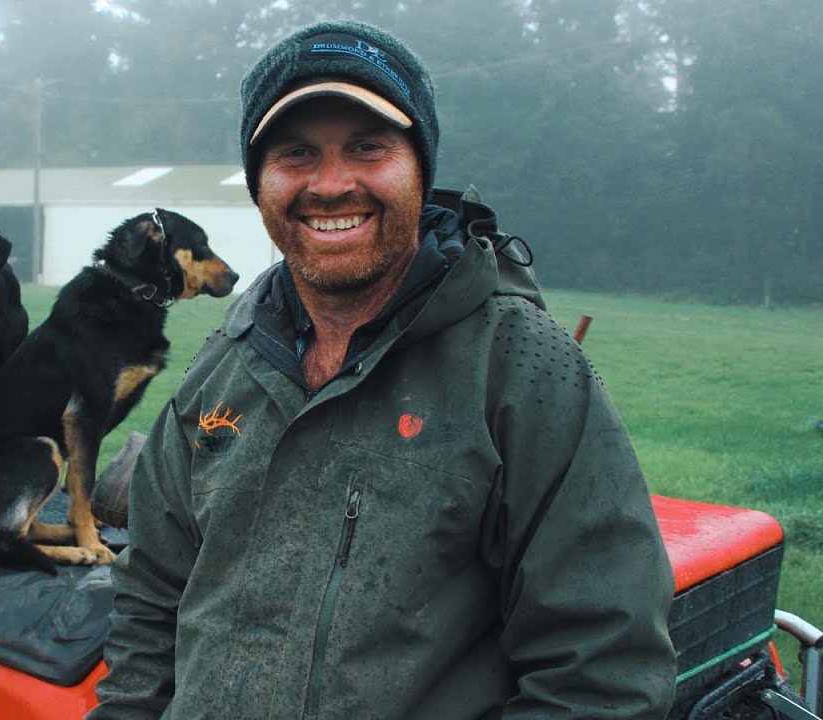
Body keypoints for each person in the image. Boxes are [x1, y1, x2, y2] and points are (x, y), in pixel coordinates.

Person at [88, 19, 676, 720]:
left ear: (420, 168)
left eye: (368, 147)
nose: (331, 184)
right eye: (296, 152)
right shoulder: (223, 365)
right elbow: (151, 603)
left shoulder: (523, 369)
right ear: (260, 182)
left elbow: (602, 673)